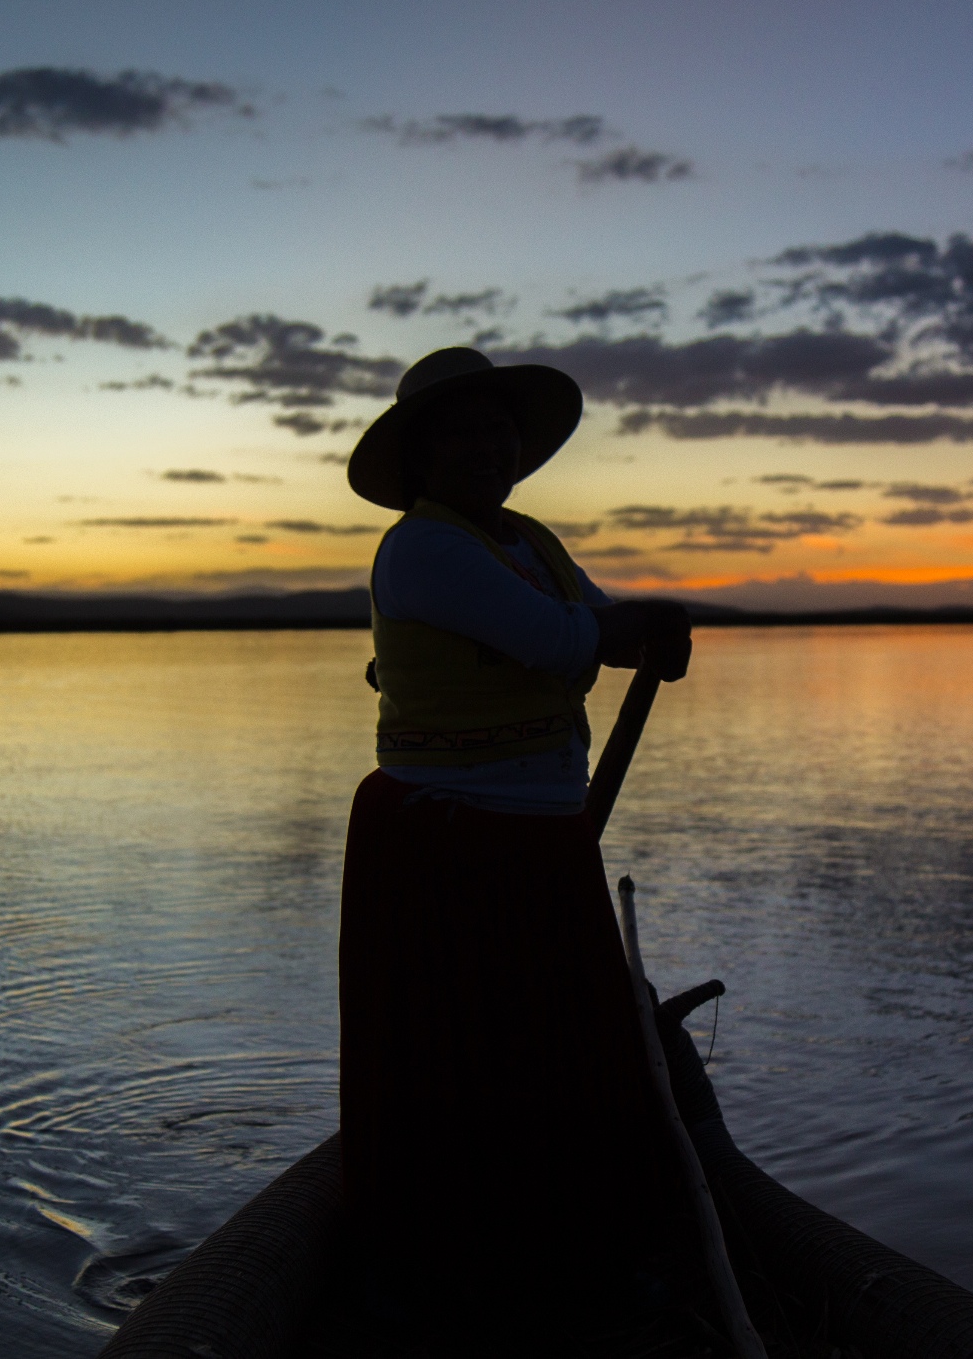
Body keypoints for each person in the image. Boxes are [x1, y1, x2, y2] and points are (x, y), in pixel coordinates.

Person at [336, 347, 694, 1330]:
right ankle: (453, 1264)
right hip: (448, 846)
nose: (486, 444)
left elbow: (589, 613)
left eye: (497, 427)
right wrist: (642, 627)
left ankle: (562, 1247)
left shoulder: (527, 538)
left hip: (539, 839)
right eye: (461, 430)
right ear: (421, 454)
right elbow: (560, 639)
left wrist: (635, 622)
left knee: (554, 1053)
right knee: (467, 1061)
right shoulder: (422, 548)